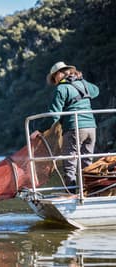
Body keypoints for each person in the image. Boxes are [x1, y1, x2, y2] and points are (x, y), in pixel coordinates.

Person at [45, 61, 99, 191]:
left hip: (74, 128)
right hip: (91, 128)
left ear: (58, 74)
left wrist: (41, 130)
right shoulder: (83, 83)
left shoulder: (62, 88)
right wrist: (81, 80)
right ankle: (90, 191)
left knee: (70, 163)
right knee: (87, 162)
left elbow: (54, 114)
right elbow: (96, 91)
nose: (54, 81)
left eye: (54, 78)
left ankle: (72, 193)